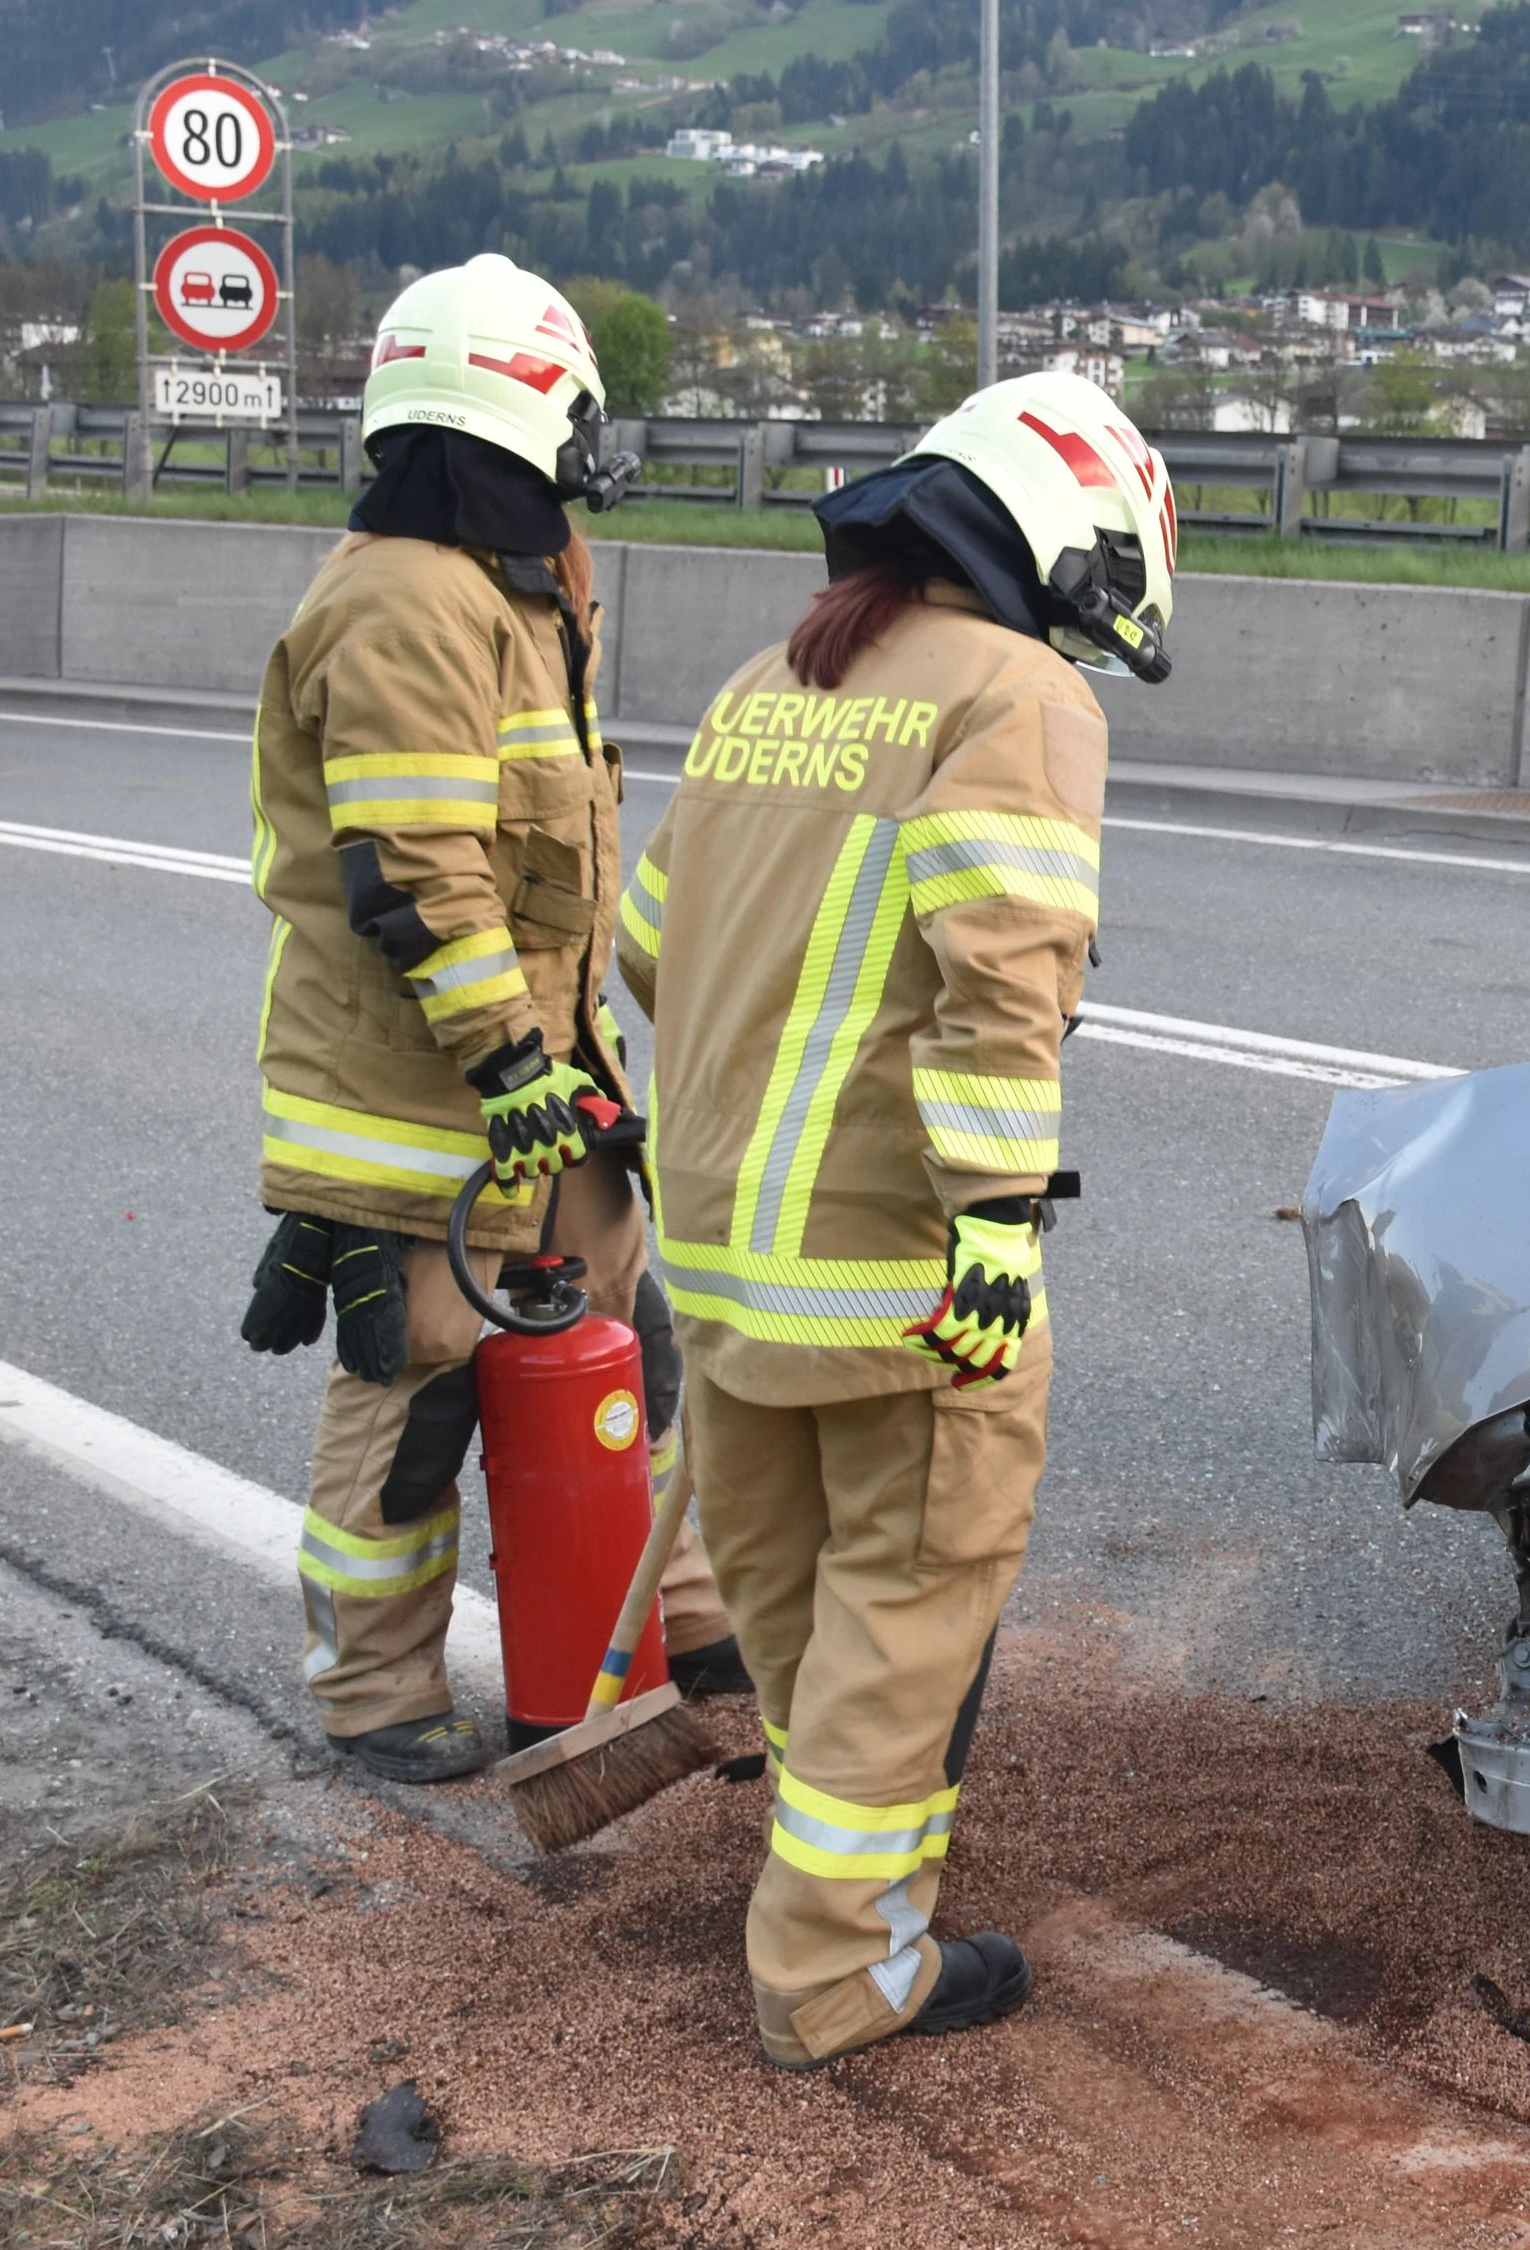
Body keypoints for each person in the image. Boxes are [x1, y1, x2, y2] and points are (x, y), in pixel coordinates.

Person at [614, 371, 1173, 2068]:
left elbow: (650, 943)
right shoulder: (1016, 694)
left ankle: (844, 1864)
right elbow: (1001, 979)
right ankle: (841, 1968)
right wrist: (996, 1223)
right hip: (897, 1262)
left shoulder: (768, 681)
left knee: (790, 1605)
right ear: (1064, 538)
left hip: (721, 1252)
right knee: (911, 1590)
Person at [238, 252, 743, 1784]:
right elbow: (415, 870)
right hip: (427, 1103)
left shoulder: (518, 590)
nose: (592, 445)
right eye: (575, 410)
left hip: (544, 1083)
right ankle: (374, 1689)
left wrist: (557, 1069)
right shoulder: (402, 603)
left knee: (629, 1357)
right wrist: (509, 1058)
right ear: (517, 411)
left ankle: (679, 1618)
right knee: (420, 1391)